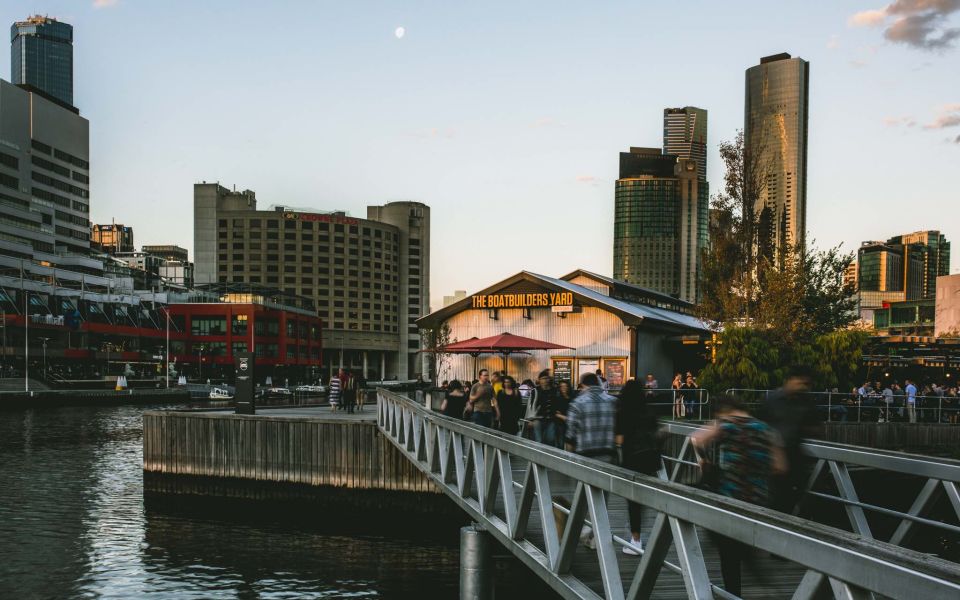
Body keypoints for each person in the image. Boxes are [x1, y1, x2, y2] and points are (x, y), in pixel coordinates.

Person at [691, 394, 786, 596]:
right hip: (758, 497)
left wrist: (705, 462)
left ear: (722, 410)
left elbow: (696, 438)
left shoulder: (726, 424)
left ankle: (734, 592)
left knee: (728, 552)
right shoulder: (766, 429)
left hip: (730, 495)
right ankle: (763, 580)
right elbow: (780, 467)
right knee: (746, 545)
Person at [757, 365, 820, 515]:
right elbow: (759, 426)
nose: (804, 387)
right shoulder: (772, 400)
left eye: (807, 384)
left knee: (791, 500)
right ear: (790, 380)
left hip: (795, 459)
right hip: (771, 459)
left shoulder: (807, 401)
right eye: (801, 383)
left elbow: (816, 427)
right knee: (772, 500)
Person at [565, 372, 617, 549]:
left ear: (582, 385)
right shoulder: (613, 401)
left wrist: (568, 457)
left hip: (584, 455)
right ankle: (597, 537)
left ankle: (585, 533)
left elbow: (570, 434)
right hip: (607, 455)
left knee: (582, 498)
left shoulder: (578, 403)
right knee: (602, 499)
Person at [615, 379, 662, 555]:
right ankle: (643, 535)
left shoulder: (623, 412)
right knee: (643, 498)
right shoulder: (649, 410)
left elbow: (619, 439)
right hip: (649, 459)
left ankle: (636, 540)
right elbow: (657, 433)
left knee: (633, 501)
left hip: (631, 459)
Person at [551, 380, 574, 449]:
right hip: (560, 423)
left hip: (571, 423)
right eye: (561, 387)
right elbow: (554, 412)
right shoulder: (557, 398)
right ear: (559, 388)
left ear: (568, 387)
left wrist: (561, 415)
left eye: (565, 386)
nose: (563, 388)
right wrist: (562, 416)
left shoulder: (572, 398)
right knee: (560, 443)